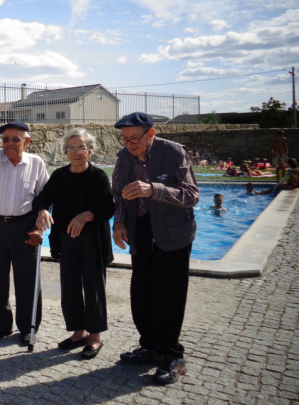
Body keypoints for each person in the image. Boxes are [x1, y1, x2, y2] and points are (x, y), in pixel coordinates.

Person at [112, 112, 199, 385]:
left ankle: (172, 355)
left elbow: (191, 195)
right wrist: (119, 223)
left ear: (150, 134)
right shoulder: (124, 157)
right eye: (125, 139)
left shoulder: (173, 153)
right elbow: (118, 194)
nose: (130, 143)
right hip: (141, 230)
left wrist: (153, 189)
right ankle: (149, 346)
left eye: (135, 138)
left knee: (169, 295)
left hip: (173, 233)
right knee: (142, 292)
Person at [34, 128, 114, 359]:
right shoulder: (59, 176)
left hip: (93, 242)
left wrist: (86, 215)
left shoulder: (98, 176)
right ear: (65, 152)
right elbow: (42, 198)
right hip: (67, 241)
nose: (76, 152)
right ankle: (79, 332)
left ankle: (95, 337)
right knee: (69, 289)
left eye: (81, 147)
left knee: (93, 288)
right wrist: (41, 210)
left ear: (89, 151)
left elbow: (108, 208)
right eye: (72, 148)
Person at [0, 121, 48, 345]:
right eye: (6, 139)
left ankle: (28, 327)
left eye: (16, 139)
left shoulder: (36, 163)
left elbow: (44, 197)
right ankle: (0, 326)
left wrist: (38, 225)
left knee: (27, 279)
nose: (10, 143)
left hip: (24, 225)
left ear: (27, 141)